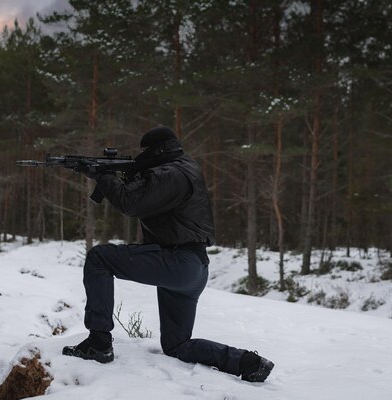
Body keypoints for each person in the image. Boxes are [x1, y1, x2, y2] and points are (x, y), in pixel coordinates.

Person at [62, 126, 274, 383]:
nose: (142, 156)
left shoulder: (172, 173)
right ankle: (247, 362)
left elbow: (131, 203)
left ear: (158, 150)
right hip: (193, 269)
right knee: (177, 346)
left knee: (99, 258)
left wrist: (104, 177)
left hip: (178, 262)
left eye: (145, 152)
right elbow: (145, 195)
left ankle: (98, 342)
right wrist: (106, 175)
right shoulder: (183, 168)